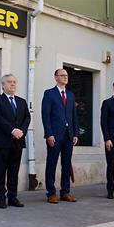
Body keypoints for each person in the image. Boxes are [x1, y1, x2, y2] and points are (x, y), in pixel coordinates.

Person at [0, 74, 31, 208]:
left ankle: (13, 197)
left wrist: (21, 132)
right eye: (9, 82)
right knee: (1, 172)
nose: (12, 84)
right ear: (3, 85)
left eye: (14, 82)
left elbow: (27, 118)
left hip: (17, 142)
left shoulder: (22, 101)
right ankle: (1, 198)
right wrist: (12, 130)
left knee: (14, 172)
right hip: (1, 142)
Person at [41, 68, 79, 204]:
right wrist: (49, 134)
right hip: (54, 136)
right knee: (51, 164)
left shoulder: (70, 95)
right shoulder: (49, 94)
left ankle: (65, 192)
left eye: (66, 75)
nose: (65, 77)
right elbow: (45, 116)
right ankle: (51, 193)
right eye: (62, 75)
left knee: (66, 164)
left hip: (69, 136)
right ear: (56, 77)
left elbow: (74, 116)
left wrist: (75, 133)